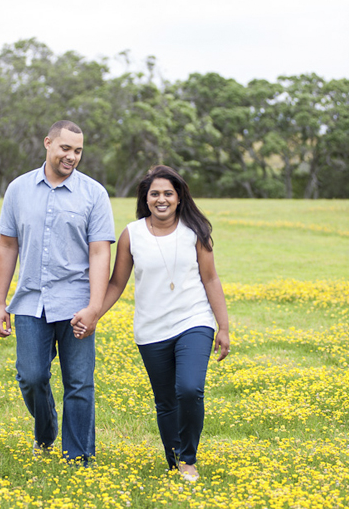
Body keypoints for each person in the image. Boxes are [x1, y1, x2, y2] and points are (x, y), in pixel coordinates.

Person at [72, 165, 230, 482]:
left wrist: (223, 327)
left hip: (194, 321)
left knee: (189, 388)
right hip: (151, 330)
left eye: (168, 193)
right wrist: (93, 314)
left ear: (179, 197)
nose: (161, 199)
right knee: (166, 401)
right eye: (154, 193)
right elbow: (116, 283)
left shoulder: (195, 232)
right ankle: (175, 463)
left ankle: (188, 459)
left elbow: (210, 279)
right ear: (146, 198)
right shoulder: (133, 234)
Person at [0, 120, 115, 464]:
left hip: (77, 302)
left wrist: (94, 307)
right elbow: (6, 245)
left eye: (78, 151)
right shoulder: (18, 189)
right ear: (48, 143)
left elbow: (100, 252)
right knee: (31, 376)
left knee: (78, 382)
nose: (72, 156)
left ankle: (77, 455)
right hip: (31, 301)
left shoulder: (94, 194)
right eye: (65, 148)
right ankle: (46, 434)